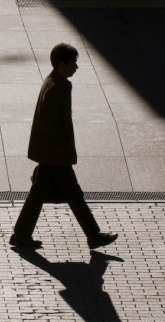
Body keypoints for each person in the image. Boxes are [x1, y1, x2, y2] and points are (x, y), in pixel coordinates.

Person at [10, 43, 118, 250]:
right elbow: (52, 124)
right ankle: (93, 235)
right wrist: (63, 142)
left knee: (39, 193)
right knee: (73, 194)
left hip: (49, 152)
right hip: (55, 153)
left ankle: (21, 234)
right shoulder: (57, 88)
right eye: (73, 63)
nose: (75, 67)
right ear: (62, 65)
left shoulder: (54, 82)